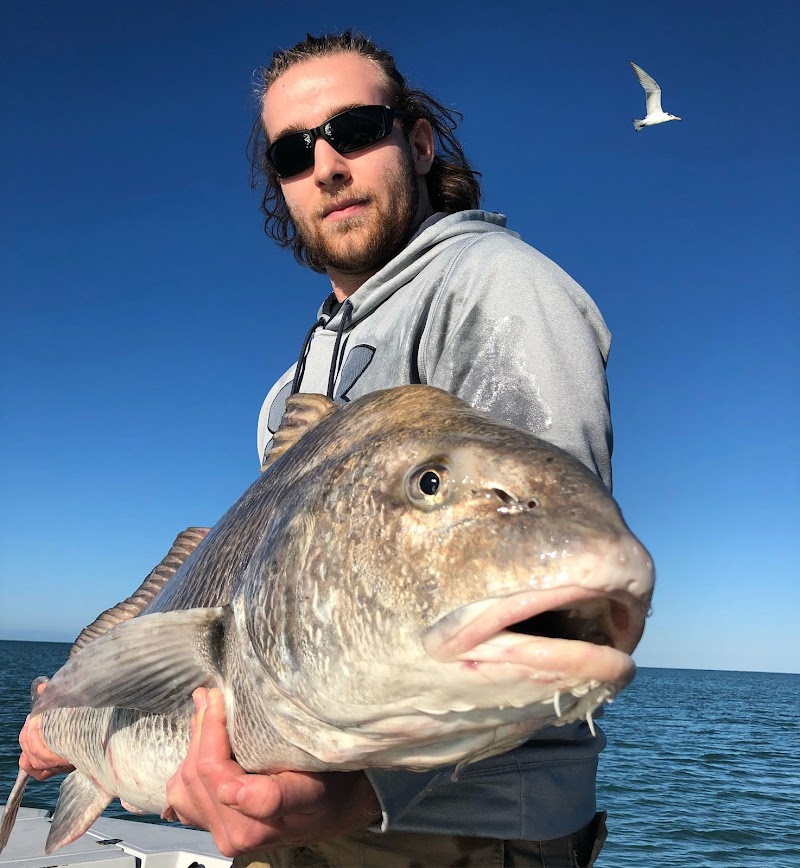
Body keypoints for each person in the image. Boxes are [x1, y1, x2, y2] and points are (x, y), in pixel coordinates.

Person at [20, 30, 614, 868]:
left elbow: (551, 597)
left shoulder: (497, 288)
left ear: (416, 140)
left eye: (355, 130)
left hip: (458, 839)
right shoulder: (293, 383)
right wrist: (71, 712)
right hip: (302, 831)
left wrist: (350, 793)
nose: (326, 165)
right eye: (293, 153)